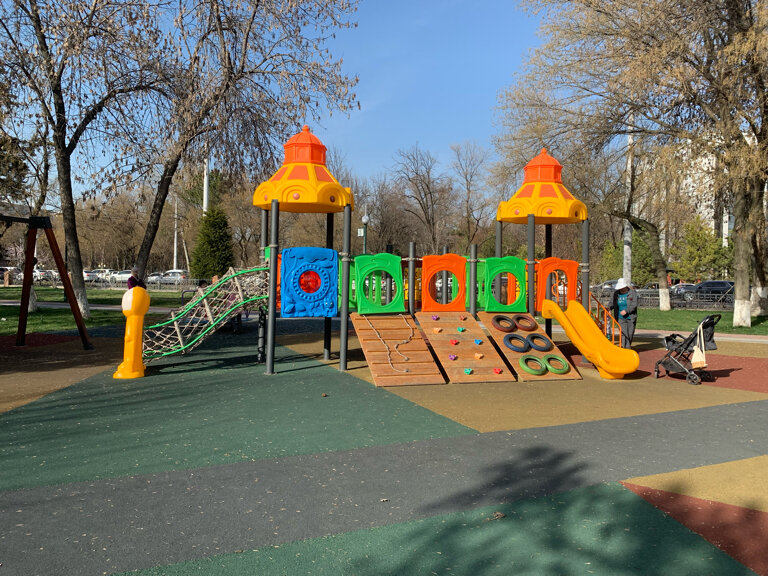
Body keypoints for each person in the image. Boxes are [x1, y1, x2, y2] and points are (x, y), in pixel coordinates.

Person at [612, 278, 638, 349]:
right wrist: (609, 308)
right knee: (623, 334)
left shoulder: (632, 293)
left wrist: (626, 311)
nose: (621, 289)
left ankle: (627, 346)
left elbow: (634, 305)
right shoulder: (616, 294)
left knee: (630, 334)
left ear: (625, 286)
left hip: (630, 317)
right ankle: (627, 349)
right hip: (620, 317)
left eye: (622, 287)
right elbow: (612, 303)